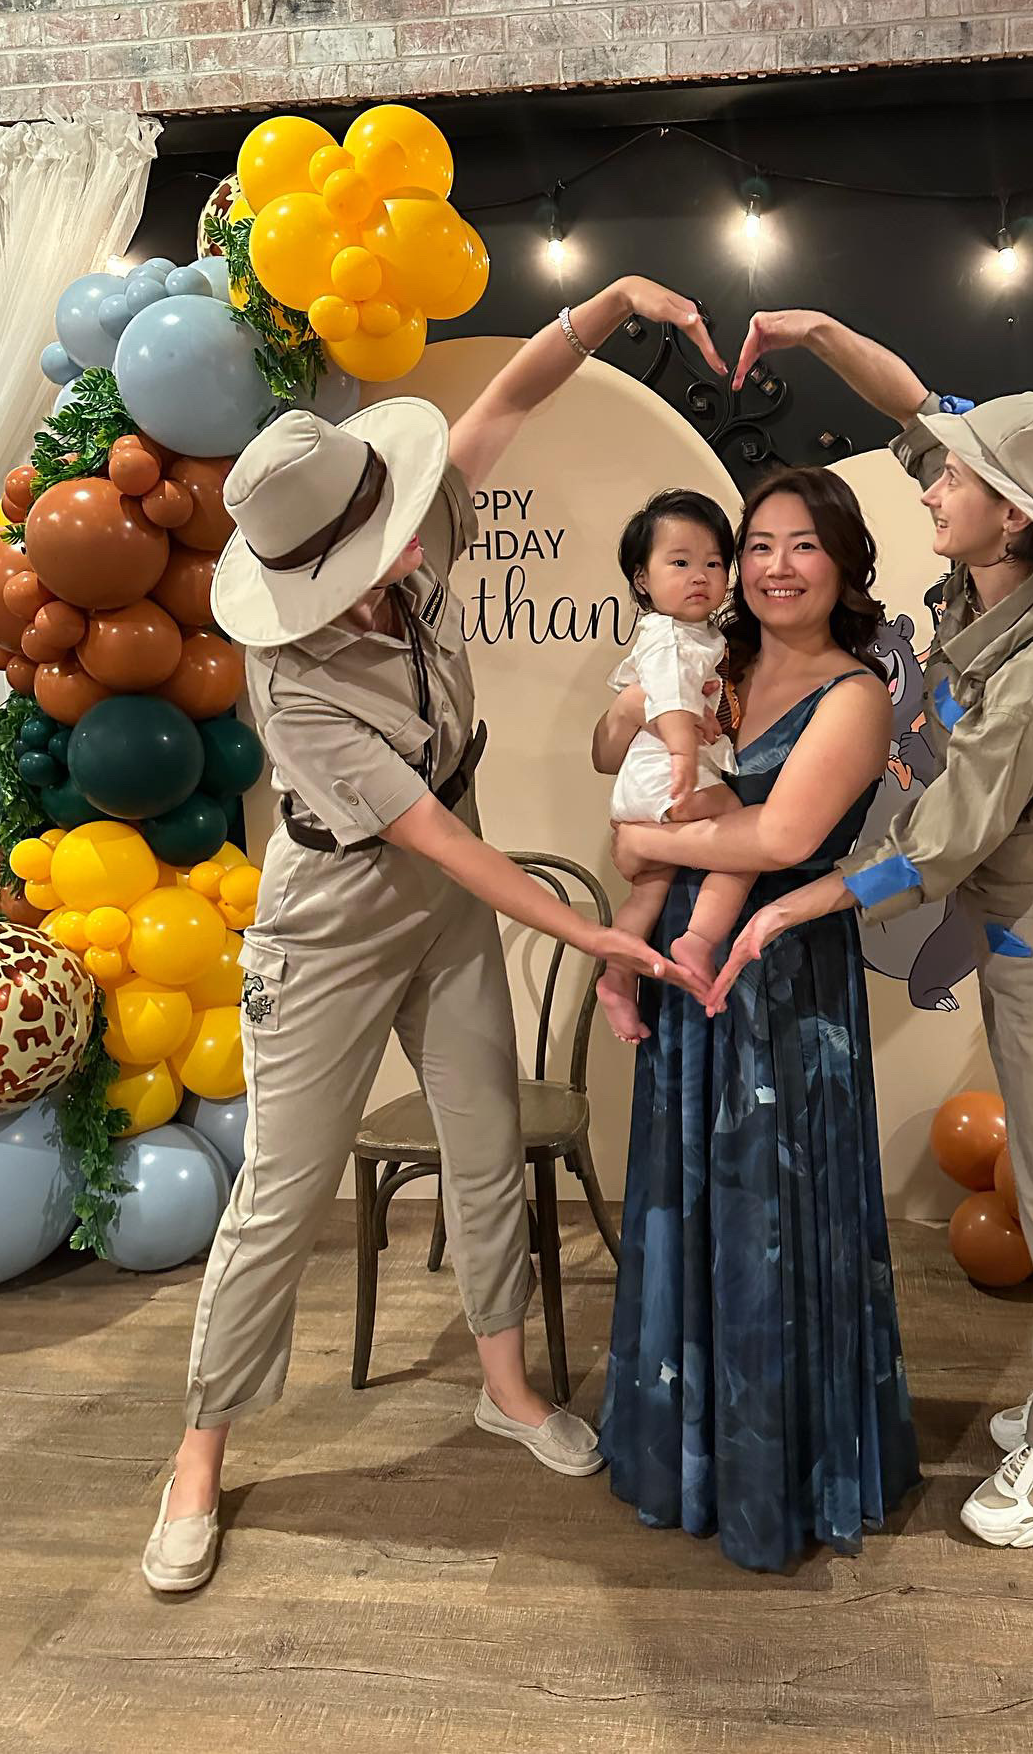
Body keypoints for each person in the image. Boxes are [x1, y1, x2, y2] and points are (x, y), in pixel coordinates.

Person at [141, 278, 722, 1595]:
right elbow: (442, 842)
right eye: (375, 557)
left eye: (396, 536)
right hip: (335, 921)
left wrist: (607, 307)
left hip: (445, 908)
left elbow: (511, 394)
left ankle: (503, 1385)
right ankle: (197, 1454)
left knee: (482, 1139)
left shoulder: (408, 525)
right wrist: (601, 935)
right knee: (281, 1195)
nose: (411, 555)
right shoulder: (293, 683)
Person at [707, 309, 1033, 1551]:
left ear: (1013, 515)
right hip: (1026, 934)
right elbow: (919, 413)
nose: (933, 483)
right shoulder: (991, 580)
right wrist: (818, 331)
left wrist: (796, 893)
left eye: (961, 479)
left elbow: (943, 846)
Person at [595, 464, 920, 1574]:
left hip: (780, 977)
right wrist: (643, 715)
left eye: (804, 545)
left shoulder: (857, 693)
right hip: (686, 973)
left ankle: (781, 1471)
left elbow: (783, 841)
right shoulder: (714, 661)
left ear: (844, 563)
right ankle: (685, 1458)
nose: (777, 568)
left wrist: (649, 848)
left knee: (770, 1211)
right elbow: (618, 745)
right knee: (692, 1196)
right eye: (761, 545)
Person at [597, 488, 753, 1045]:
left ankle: (616, 978)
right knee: (745, 827)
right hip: (665, 773)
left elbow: (692, 702)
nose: (700, 576)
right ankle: (699, 938)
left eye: (714, 563)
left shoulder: (704, 635)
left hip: (653, 777)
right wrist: (688, 754)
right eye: (680, 562)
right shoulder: (664, 634)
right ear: (642, 579)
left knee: (648, 890)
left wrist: (702, 727)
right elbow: (665, 698)